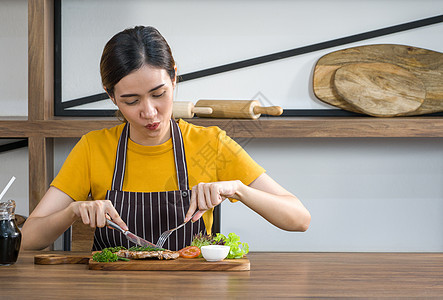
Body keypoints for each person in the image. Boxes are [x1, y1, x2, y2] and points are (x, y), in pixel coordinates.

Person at [21, 26, 311, 251]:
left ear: (174, 78)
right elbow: (28, 239)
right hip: (111, 288)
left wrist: (238, 189)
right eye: (131, 101)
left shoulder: (210, 144)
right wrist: (72, 211)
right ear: (112, 97)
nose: (149, 112)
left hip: (194, 287)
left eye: (159, 94)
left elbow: (299, 219)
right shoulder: (93, 148)